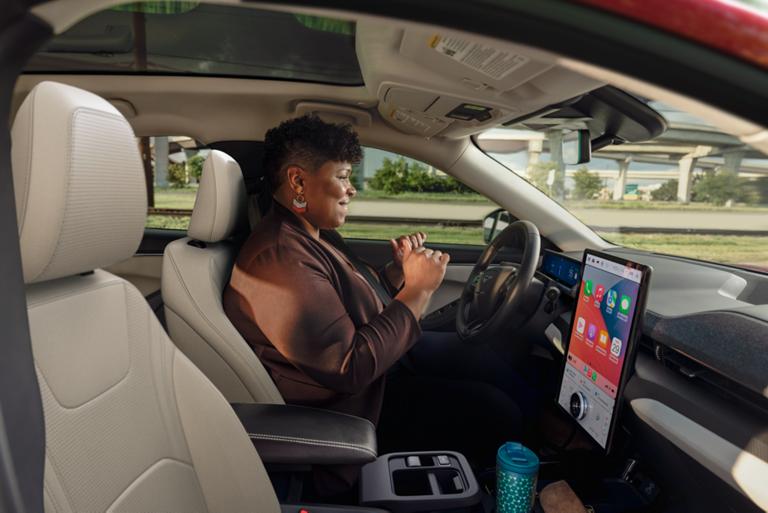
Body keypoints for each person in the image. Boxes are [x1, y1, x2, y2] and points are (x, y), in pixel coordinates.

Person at [224, 115, 522, 497]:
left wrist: (395, 276)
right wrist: (417, 291)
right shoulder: (279, 259)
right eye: (343, 177)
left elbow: (342, 305)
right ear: (298, 181)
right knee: (494, 410)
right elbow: (348, 366)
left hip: (376, 380)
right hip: (353, 413)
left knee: (485, 359)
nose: (352, 190)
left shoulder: (308, 235)